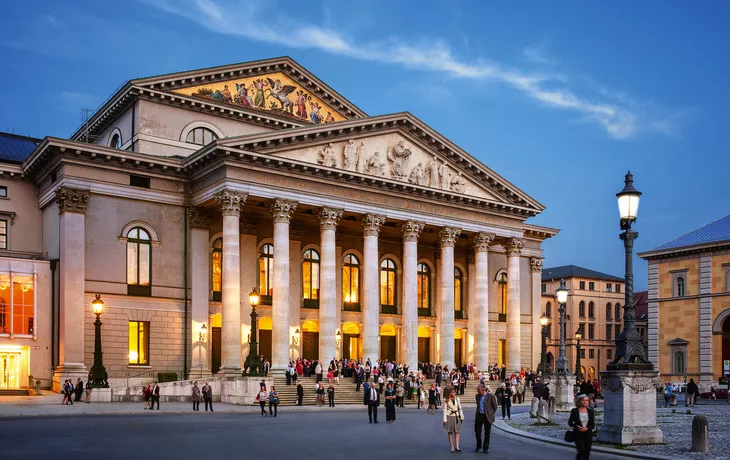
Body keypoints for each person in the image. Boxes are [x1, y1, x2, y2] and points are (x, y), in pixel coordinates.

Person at [568, 394, 595, 460]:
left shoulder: (590, 412)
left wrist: (587, 428)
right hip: (578, 434)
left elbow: (592, 424)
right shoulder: (574, 411)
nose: (585, 402)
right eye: (583, 400)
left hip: (588, 434)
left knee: (587, 454)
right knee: (581, 452)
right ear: (579, 401)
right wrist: (577, 426)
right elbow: (570, 423)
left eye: (587, 400)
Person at [474, 385, 498, 453]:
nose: (478, 392)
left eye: (479, 391)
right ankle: (478, 445)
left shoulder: (490, 396)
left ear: (483, 390)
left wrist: (491, 413)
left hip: (487, 416)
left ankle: (485, 447)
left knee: (487, 432)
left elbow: (495, 406)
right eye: (478, 391)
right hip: (479, 415)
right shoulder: (477, 396)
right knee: (477, 431)